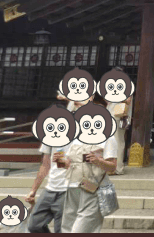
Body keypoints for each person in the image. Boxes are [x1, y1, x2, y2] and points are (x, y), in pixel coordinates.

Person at [58, 94, 118, 233]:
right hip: (72, 187)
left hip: (93, 187)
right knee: (67, 227)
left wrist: (98, 161)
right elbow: (65, 162)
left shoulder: (108, 138)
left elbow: (112, 167)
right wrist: (60, 161)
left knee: (81, 230)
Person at [25, 103, 71, 233]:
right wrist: (33, 190)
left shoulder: (77, 138)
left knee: (61, 229)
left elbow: (83, 163)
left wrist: (67, 162)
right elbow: (45, 165)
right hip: (50, 188)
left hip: (68, 189)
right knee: (34, 225)